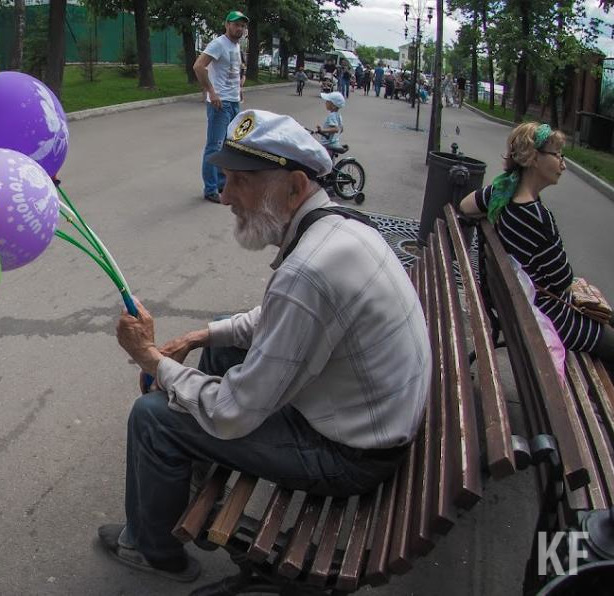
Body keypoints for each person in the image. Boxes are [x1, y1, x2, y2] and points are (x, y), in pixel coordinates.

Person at [98, 109, 431, 581]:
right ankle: (182, 480)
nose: (226, 196)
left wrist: (150, 358)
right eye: (226, 178)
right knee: (220, 345)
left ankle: (154, 551)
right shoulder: (339, 227)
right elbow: (280, 320)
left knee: (153, 418)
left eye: (241, 181)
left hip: (347, 457)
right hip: (370, 420)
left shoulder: (308, 271)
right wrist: (200, 335)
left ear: (294, 186)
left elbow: (233, 411)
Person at [458, 122, 614, 364]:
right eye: (557, 155)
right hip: (550, 318)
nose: (563, 164)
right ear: (534, 158)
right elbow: (564, 281)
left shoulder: (502, 192)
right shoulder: (537, 217)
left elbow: (466, 205)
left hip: (521, 308)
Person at [194, 10, 249, 204]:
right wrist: (211, 91)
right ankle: (210, 189)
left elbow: (232, 72)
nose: (239, 28)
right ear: (227, 24)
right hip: (220, 103)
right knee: (214, 146)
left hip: (233, 101)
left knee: (227, 145)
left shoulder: (236, 46)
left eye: (242, 26)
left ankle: (221, 183)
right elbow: (198, 66)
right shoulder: (218, 44)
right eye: (236, 24)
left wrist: (238, 90)